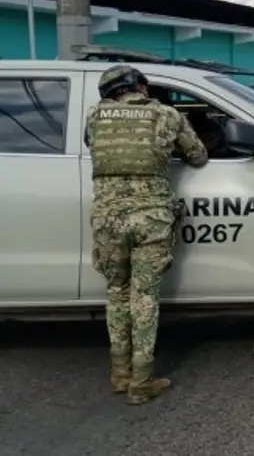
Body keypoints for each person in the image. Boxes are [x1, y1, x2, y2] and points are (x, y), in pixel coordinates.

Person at [84, 65, 208, 404]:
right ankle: (141, 383)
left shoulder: (95, 116)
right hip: (150, 218)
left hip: (108, 218)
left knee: (117, 293)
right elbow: (197, 155)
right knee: (144, 297)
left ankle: (119, 374)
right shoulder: (166, 115)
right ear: (142, 87)